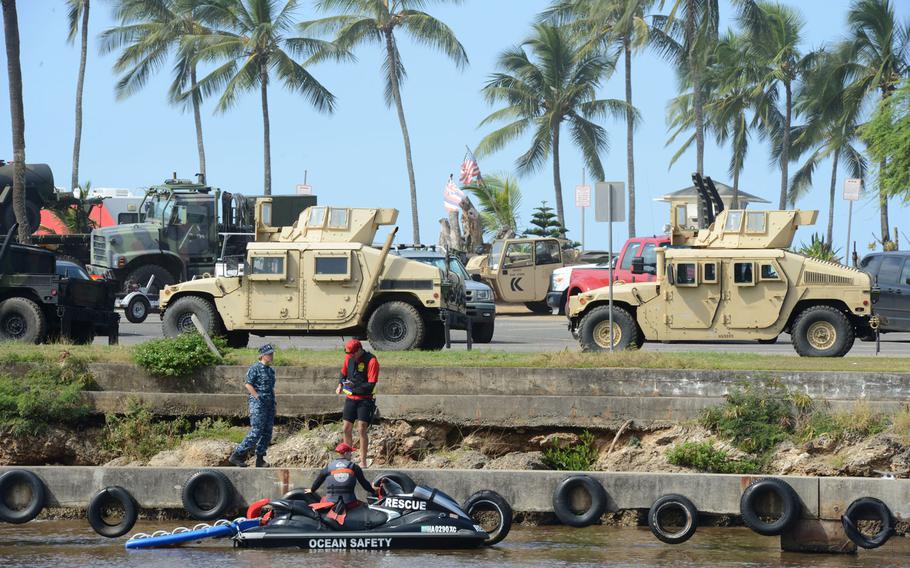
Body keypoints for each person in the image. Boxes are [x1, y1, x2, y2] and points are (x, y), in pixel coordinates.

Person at [229, 344, 276, 468]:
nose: (271, 356)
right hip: (258, 404)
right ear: (262, 355)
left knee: (267, 432)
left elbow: (270, 388)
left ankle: (260, 459)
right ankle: (237, 455)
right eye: (269, 354)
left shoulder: (271, 370)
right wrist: (257, 397)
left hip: (269, 404)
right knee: (256, 431)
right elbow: (248, 384)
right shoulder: (255, 368)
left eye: (272, 353)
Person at [306, 442, 377, 524]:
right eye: (350, 453)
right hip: (349, 502)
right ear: (346, 453)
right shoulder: (354, 466)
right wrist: (373, 491)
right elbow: (364, 484)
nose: (351, 455)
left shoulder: (329, 466)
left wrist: (312, 489)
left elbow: (319, 479)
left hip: (330, 501)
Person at [336, 339, 379, 468]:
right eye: (349, 354)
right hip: (351, 398)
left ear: (359, 350)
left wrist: (353, 387)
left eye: (353, 354)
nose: (351, 357)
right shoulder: (348, 357)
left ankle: (363, 461)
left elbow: (371, 385)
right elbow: (343, 374)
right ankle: (347, 458)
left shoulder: (371, 361)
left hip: (365, 399)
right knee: (346, 428)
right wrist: (340, 384)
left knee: (361, 429)